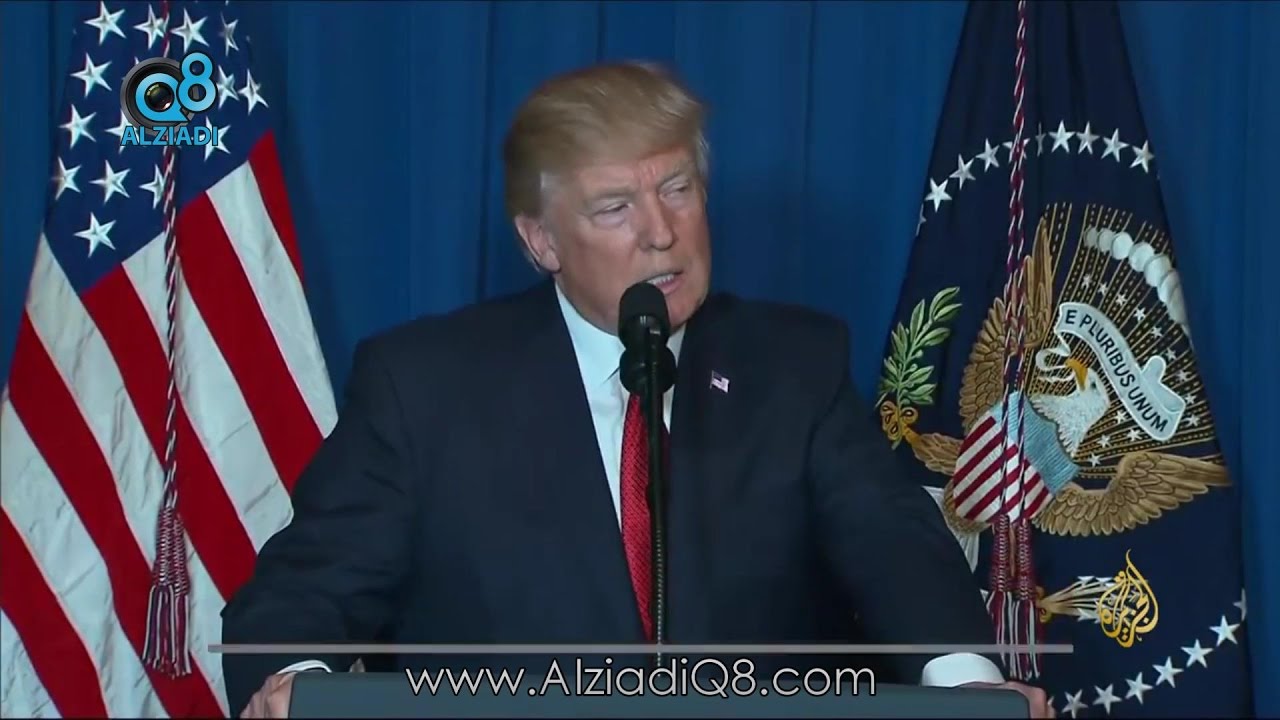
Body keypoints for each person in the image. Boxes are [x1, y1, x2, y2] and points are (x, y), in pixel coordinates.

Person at [221, 61, 1052, 718]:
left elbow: (895, 548)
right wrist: (300, 685)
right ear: (541, 241)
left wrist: (968, 686)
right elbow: (299, 595)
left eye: (677, 189)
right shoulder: (425, 388)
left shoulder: (793, 366)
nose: (661, 232)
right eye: (615, 207)